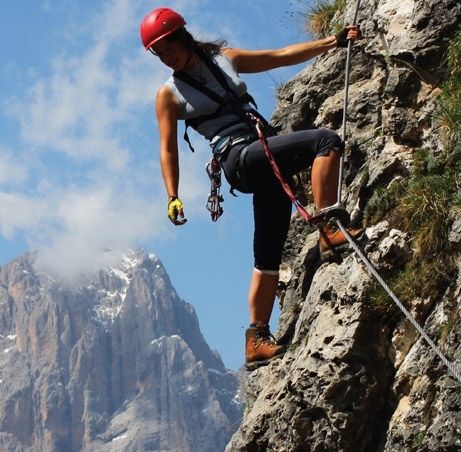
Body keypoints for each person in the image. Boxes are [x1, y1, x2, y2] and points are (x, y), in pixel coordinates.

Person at [140, 7, 364, 371]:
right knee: (326, 141)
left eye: (168, 48)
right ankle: (328, 228)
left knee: (269, 248)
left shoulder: (224, 60)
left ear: (182, 36)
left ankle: (256, 338)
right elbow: (167, 147)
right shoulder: (168, 95)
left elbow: (279, 56)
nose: (166, 57)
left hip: (261, 154)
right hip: (239, 158)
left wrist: (333, 42)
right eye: (159, 53)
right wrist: (172, 195)